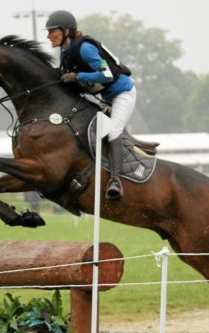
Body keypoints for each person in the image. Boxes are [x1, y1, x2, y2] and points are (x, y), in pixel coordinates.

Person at [46, 10, 136, 201]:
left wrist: (78, 76)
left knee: (113, 132)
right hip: (103, 98)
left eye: (52, 31)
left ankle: (115, 181)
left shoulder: (85, 48)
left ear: (66, 31)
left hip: (122, 94)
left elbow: (107, 75)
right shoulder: (65, 51)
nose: (48, 36)